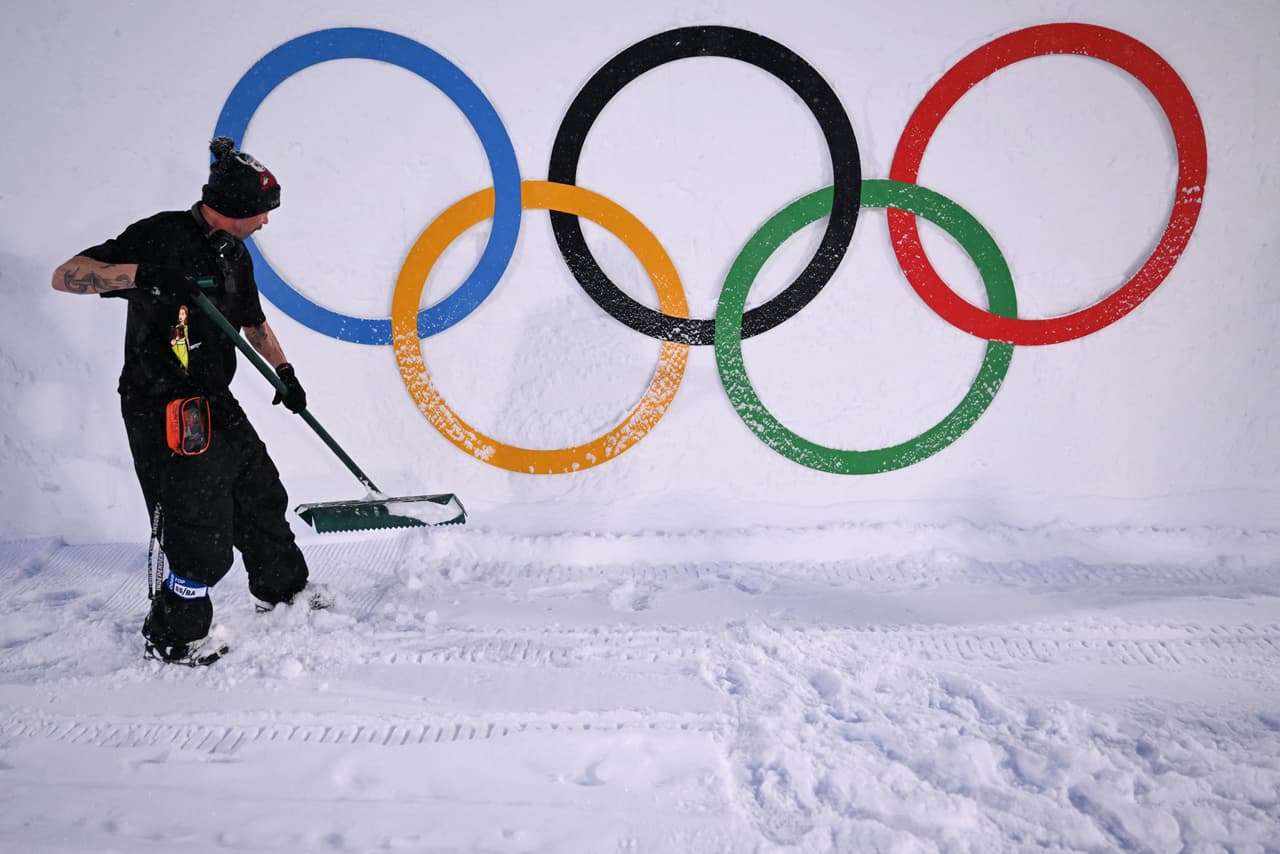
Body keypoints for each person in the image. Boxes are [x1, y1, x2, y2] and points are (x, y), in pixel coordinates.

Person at [51, 136, 331, 666]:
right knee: (197, 521)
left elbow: (251, 320)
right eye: (260, 213)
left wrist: (285, 371)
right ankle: (174, 636)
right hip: (162, 405)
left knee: (259, 491)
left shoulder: (234, 252)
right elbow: (64, 275)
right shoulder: (158, 236)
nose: (266, 223)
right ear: (231, 208)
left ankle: (282, 591)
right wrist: (143, 276)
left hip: (213, 395)